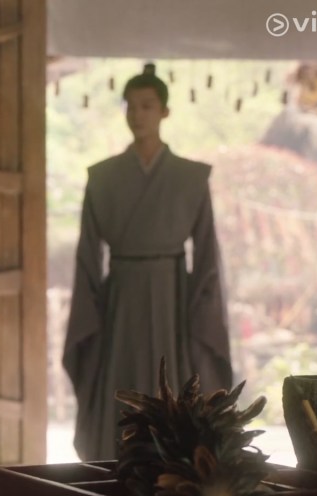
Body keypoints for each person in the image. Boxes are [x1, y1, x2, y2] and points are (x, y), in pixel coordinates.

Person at [63, 63, 232, 462]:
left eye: (147, 106)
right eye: (131, 106)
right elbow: (88, 257)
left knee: (176, 389)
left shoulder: (191, 177)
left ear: (164, 112)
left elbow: (206, 256)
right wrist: (90, 318)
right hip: (120, 301)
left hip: (174, 298)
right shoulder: (102, 177)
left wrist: (201, 316)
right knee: (120, 389)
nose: (137, 115)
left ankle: (179, 477)